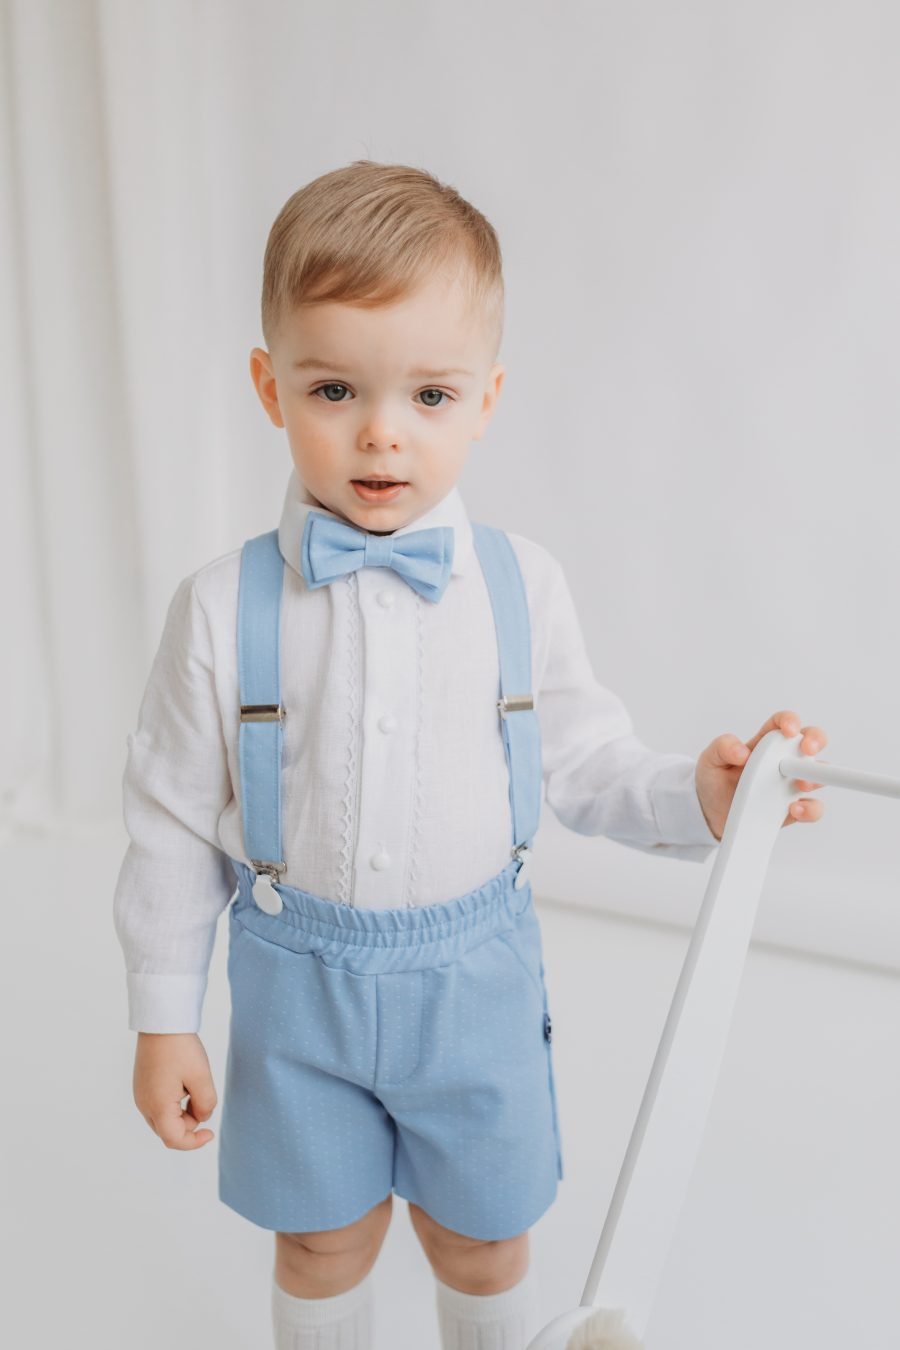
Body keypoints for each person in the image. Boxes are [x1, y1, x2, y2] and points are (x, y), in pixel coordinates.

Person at [113, 160, 827, 1350]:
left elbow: (588, 761)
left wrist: (697, 795)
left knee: (485, 1237)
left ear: (487, 398)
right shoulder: (218, 606)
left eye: (429, 397)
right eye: (335, 387)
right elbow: (173, 815)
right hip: (299, 997)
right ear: (268, 385)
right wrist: (162, 1011)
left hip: (475, 988)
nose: (382, 431)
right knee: (320, 1237)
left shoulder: (518, 585)